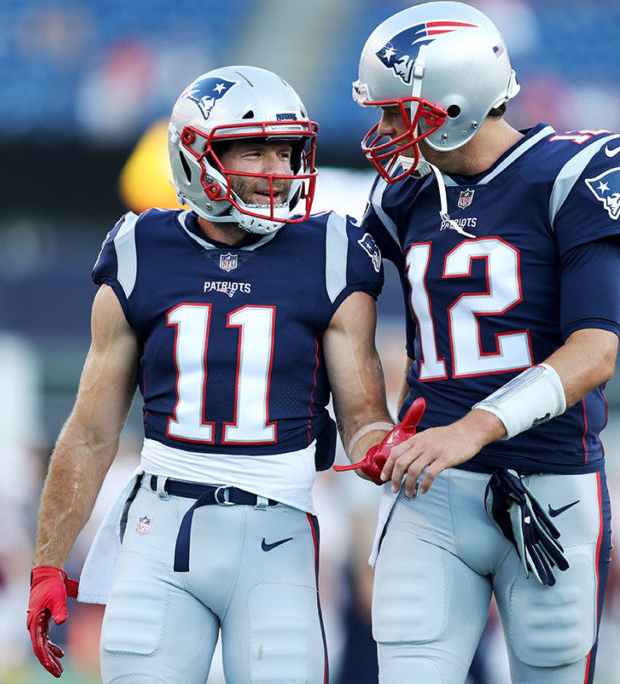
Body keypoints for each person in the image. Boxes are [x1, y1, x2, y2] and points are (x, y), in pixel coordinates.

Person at [26, 65, 404, 683]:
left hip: (278, 532)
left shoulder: (332, 251)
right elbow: (91, 431)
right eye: (253, 148)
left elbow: (363, 418)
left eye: (285, 151)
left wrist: (381, 448)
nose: (277, 169)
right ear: (194, 156)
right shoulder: (139, 248)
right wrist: (47, 562)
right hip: (159, 529)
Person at [344, 2, 620, 683]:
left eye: (397, 112)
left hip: (551, 489)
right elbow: (344, 316)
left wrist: (474, 428)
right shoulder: (401, 195)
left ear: (452, 104)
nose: (383, 131)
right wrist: (365, 423)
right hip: (427, 487)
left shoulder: (577, 168)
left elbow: (594, 351)